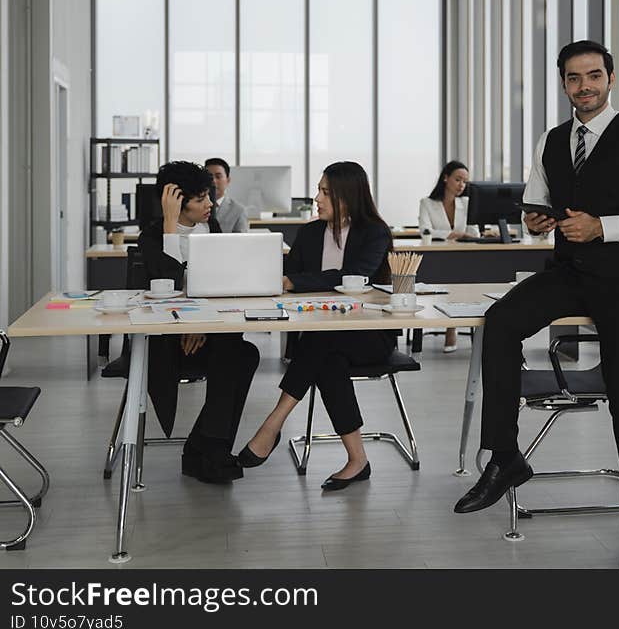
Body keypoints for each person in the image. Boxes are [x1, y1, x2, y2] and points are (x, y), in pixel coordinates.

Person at [452, 40, 619, 570]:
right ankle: (506, 456)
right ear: (563, 84)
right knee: (500, 321)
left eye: (594, 75)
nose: (585, 85)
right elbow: (538, 203)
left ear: (610, 79)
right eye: (574, 78)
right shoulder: (553, 141)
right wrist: (536, 219)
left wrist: (606, 226)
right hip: (567, 272)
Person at [238, 161, 395, 491]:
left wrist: (295, 282)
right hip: (322, 337)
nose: (317, 198)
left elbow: (354, 277)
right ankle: (358, 460)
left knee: (321, 344)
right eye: (318, 190)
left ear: (348, 197)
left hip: (368, 334)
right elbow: (287, 277)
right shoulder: (309, 233)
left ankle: (273, 423)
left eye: (325, 192)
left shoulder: (374, 232)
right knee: (327, 359)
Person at [138, 161, 260, 484]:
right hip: (166, 343)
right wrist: (168, 225)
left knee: (244, 353)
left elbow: (218, 286)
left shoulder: (212, 228)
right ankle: (209, 451)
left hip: (208, 335)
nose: (210, 204)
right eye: (201, 199)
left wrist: (201, 325)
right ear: (176, 201)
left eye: (210, 196)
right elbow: (168, 284)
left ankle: (204, 448)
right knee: (236, 353)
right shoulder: (151, 237)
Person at [418, 161, 480, 352]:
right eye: (458, 179)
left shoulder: (468, 203)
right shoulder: (427, 203)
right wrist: (454, 235)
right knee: (450, 278)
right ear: (446, 178)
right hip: (437, 257)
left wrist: (462, 235)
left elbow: (474, 232)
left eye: (465, 181)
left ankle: (451, 326)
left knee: (464, 278)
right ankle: (449, 326)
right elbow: (426, 230)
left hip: (463, 256)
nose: (461, 185)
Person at [205, 157, 249, 233]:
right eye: (209, 177)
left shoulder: (239, 210)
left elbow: (241, 241)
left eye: (218, 176)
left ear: (228, 180)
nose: (213, 181)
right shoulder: (194, 207)